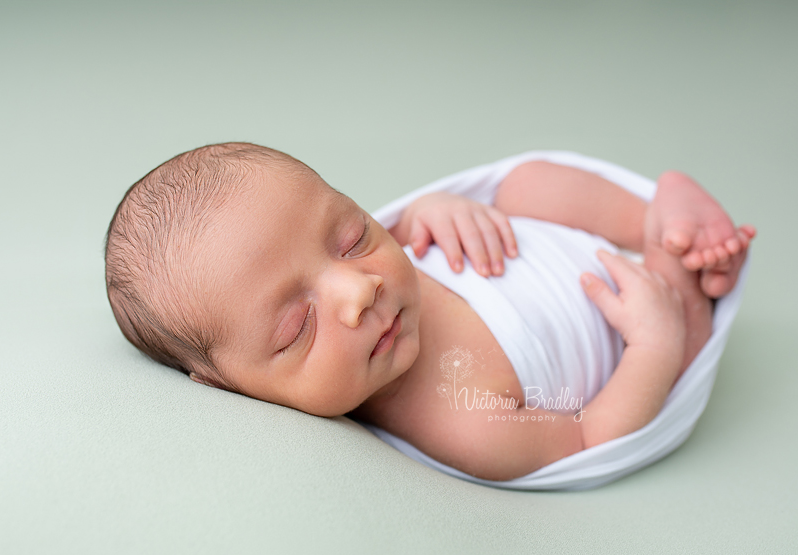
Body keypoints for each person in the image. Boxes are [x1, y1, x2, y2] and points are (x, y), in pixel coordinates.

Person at [105, 143, 755, 481]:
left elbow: (418, 223)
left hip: (548, 246)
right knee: (685, 317)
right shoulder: (461, 420)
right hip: (625, 327)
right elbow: (589, 437)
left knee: (523, 183)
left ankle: (648, 219)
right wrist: (652, 348)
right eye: (297, 327)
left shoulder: (400, 256)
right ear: (229, 384)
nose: (358, 291)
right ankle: (683, 258)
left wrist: (436, 213)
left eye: (352, 237)